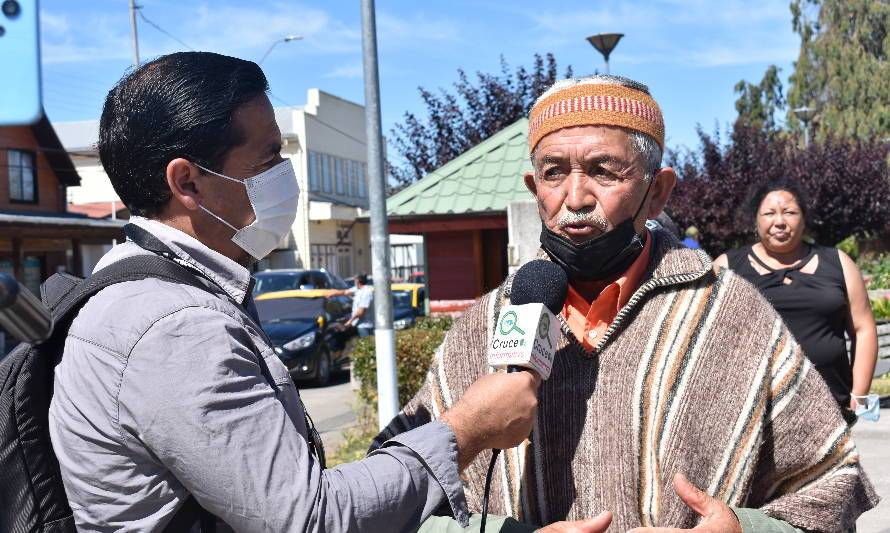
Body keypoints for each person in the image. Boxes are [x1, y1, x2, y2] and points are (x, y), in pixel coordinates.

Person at [46, 52, 599, 533]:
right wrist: (464, 432)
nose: (287, 175)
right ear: (187, 183)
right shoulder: (170, 326)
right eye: (267, 161)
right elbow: (309, 520)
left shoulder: (155, 289)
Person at [373, 75, 879, 532]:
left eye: (603, 171)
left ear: (656, 193)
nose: (575, 197)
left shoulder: (731, 315)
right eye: (553, 173)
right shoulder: (483, 327)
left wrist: (744, 530)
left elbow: (831, 487)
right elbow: (389, 500)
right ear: (534, 189)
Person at [714, 178, 879, 422]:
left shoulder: (838, 262)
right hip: (753, 417)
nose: (779, 221)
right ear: (756, 220)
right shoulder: (727, 267)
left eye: (789, 212)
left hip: (830, 413)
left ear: (803, 219)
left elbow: (863, 328)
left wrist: (858, 397)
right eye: (769, 213)